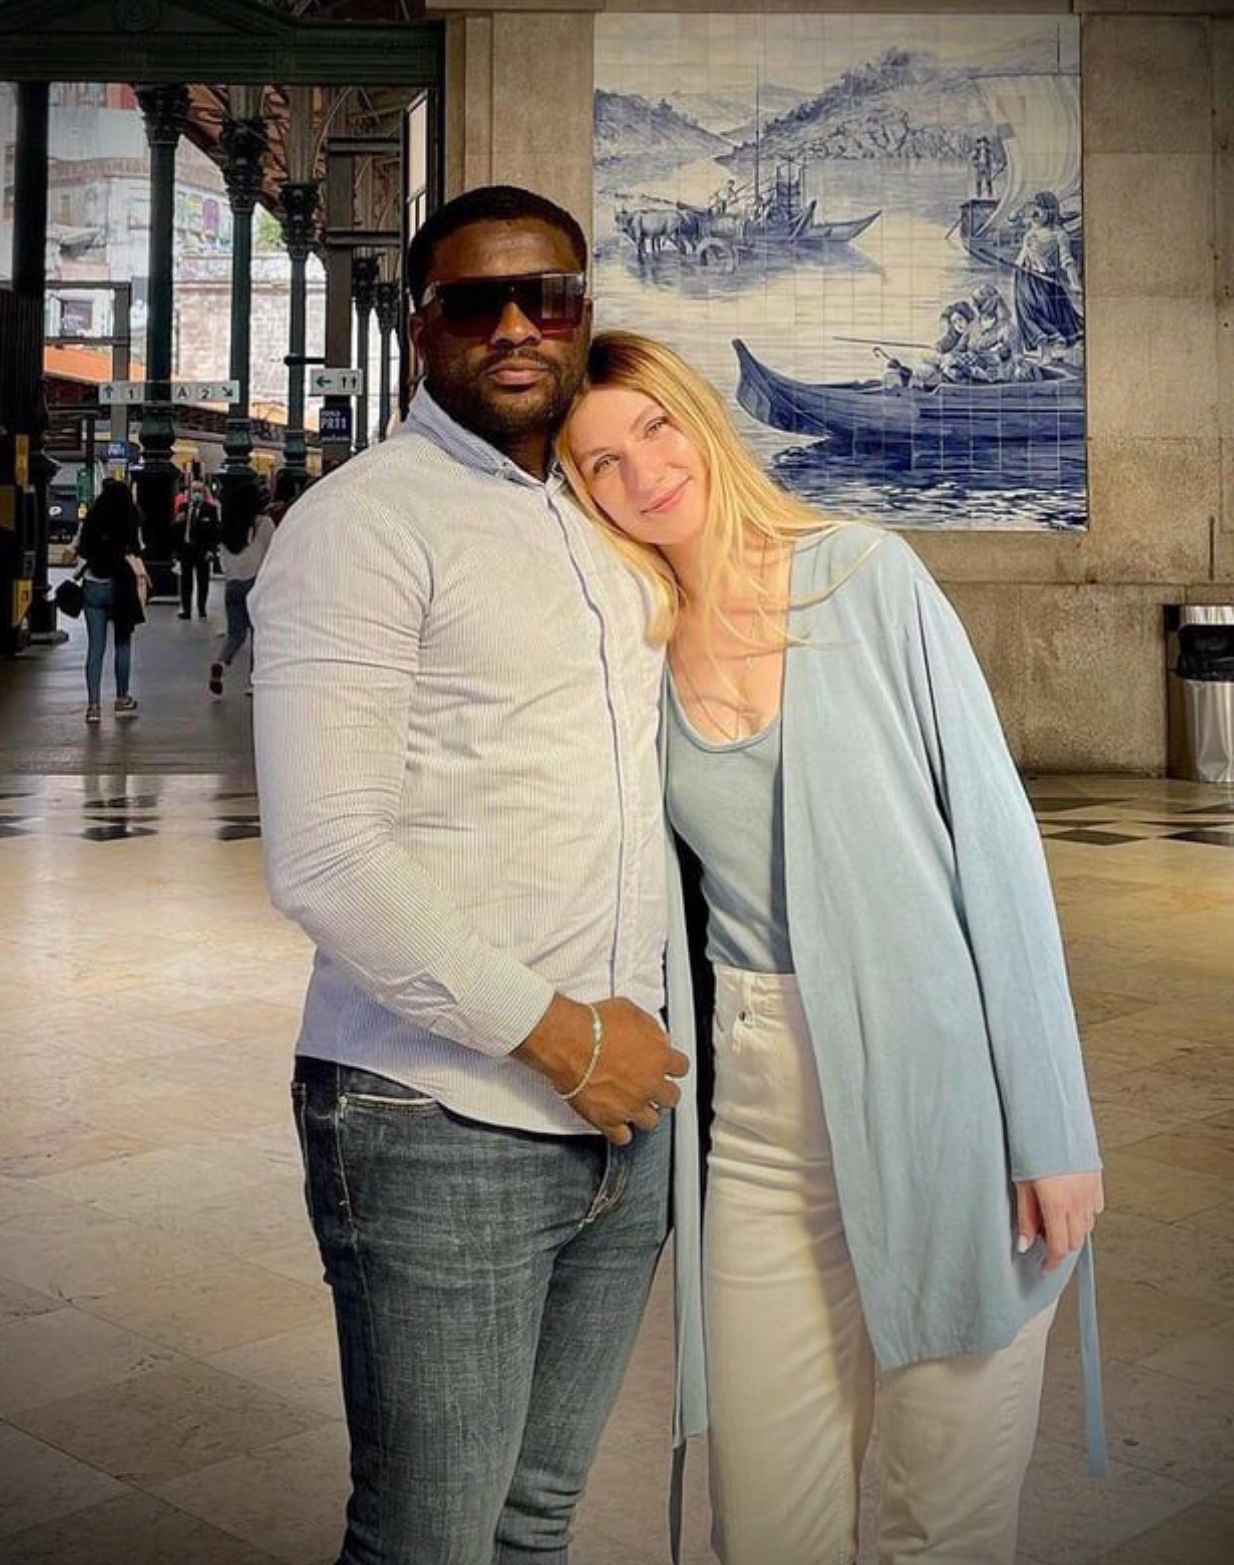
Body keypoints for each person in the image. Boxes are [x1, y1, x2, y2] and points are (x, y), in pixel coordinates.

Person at [558, 331, 1106, 1565]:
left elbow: (997, 851)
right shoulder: (634, 648)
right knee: (764, 1523)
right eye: (600, 464)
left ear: (701, 419)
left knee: (944, 1521)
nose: (643, 473)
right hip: (758, 1126)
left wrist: (1053, 1124)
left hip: (943, 1100)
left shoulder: (868, 575)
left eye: (654, 428)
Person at [249, 187, 692, 1565]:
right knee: (429, 1539)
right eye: (471, 302)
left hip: (628, 1120)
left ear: (583, 315)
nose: (513, 326)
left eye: (544, 297)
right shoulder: (365, 524)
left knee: (534, 1520)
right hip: (439, 1117)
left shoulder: (602, 520)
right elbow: (327, 857)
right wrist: (568, 1043)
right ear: (419, 327)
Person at [73, 479, 145, 724]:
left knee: (96, 647)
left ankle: (93, 706)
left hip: (93, 585)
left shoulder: (93, 517)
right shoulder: (129, 516)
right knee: (122, 643)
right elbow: (136, 548)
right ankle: (122, 698)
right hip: (120, 585)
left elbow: (81, 549)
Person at [208, 477, 274, 699]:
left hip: (232, 585)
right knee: (258, 633)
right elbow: (272, 552)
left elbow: (223, 560)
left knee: (235, 634)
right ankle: (253, 681)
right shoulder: (264, 524)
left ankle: (221, 663)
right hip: (255, 583)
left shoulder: (227, 528)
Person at [1012, 189, 1084, 358]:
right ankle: (1045, 353)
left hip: (1043, 280)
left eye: (1040, 210)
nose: (1035, 214)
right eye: (1035, 209)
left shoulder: (1059, 234)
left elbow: (1067, 260)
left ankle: (1048, 353)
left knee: (1043, 315)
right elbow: (1012, 219)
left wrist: (1074, 283)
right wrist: (1021, 210)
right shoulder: (1032, 225)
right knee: (1026, 314)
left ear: (1050, 211)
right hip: (1023, 276)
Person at [171, 462, 220, 619]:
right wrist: (177, 522)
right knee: (186, 582)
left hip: (202, 550)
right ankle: (186, 610)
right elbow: (175, 531)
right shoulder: (183, 508)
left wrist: (212, 550)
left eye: (199, 491)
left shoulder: (210, 510)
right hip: (186, 550)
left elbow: (215, 532)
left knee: (202, 580)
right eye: (194, 491)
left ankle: (201, 608)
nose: (196, 494)